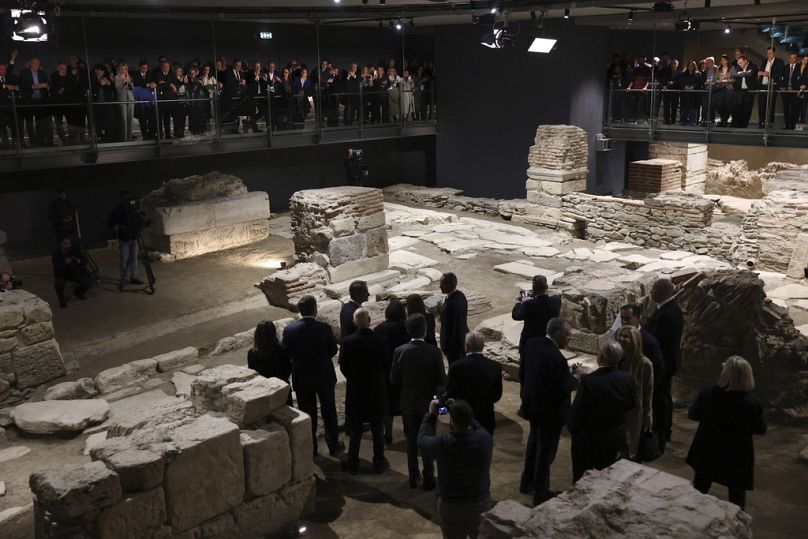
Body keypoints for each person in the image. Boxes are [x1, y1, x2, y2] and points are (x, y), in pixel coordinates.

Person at [686, 356, 767, 510]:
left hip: (707, 449)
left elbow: (693, 415)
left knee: (699, 491)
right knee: (736, 498)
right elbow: (760, 429)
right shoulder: (752, 403)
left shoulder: (707, 394)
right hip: (736, 455)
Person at [519, 318, 581, 505]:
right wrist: (575, 377)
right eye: (568, 335)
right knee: (546, 453)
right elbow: (562, 387)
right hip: (550, 413)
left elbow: (525, 373)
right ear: (558, 334)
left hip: (532, 406)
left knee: (533, 445)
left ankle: (526, 482)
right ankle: (541, 491)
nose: (570, 339)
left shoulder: (532, 344)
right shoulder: (556, 358)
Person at [418, 399, 493, 539]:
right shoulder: (485, 439)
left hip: (451, 506)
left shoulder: (443, 444)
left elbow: (422, 439)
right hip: (480, 504)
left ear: (452, 421)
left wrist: (431, 415)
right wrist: (465, 414)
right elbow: (478, 428)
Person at [390, 313, 446, 490]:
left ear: (408, 330)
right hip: (428, 405)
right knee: (428, 441)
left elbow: (393, 379)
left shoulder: (399, 352)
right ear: (425, 330)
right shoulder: (434, 352)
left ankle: (413, 476)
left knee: (412, 441)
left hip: (408, 403)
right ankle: (429, 477)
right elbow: (442, 382)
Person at [282, 295, 343, 457]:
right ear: (315, 309)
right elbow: (333, 350)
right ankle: (334, 445)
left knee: (308, 413)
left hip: (302, 377)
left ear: (300, 311)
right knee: (329, 411)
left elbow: (286, 352)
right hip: (324, 375)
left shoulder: (289, 330)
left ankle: (312, 448)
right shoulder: (324, 328)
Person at [568, 341, 635, 482]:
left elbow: (577, 411)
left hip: (588, 438)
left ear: (600, 358)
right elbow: (630, 405)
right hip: (613, 436)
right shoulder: (627, 379)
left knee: (582, 477)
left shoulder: (589, 382)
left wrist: (572, 429)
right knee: (606, 476)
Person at [339, 308, 391, 474]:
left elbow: (343, 366)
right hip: (376, 390)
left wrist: (354, 379)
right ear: (369, 320)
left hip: (356, 392)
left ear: (354, 323)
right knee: (377, 430)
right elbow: (386, 363)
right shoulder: (381, 339)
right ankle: (379, 462)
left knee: (355, 432)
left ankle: (352, 463)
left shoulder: (348, 342)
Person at [644, 278, 683, 454]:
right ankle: (664, 432)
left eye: (653, 290)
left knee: (660, 400)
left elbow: (655, 340)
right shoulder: (669, 308)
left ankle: (660, 437)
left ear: (661, 292)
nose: (651, 293)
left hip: (663, 364)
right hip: (669, 360)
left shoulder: (667, 315)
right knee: (663, 398)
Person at [445, 331, 502, 435]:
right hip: (486, 418)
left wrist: (442, 409)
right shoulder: (495, 367)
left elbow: (449, 393)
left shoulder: (456, 367)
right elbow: (496, 396)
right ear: (483, 346)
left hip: (461, 419)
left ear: (466, 346)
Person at [374, 301, 410, 445]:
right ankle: (408, 430)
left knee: (387, 406)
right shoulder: (406, 329)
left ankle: (388, 434)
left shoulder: (378, 330)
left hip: (385, 372)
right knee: (405, 403)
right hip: (403, 372)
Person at [614, 326, 653, 459]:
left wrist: (648, 417)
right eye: (620, 335)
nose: (622, 339)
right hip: (615, 410)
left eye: (626, 336)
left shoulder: (644, 364)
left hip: (632, 413)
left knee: (629, 448)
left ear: (635, 340)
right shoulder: (614, 359)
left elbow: (648, 393)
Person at [511, 275, 561, 356]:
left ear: (533, 288)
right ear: (547, 287)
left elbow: (516, 316)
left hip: (529, 343)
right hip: (547, 342)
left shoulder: (528, 304)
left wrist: (518, 303)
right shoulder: (556, 302)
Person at [247, 320, 292, 406]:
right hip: (282, 389)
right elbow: (288, 369)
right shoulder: (282, 350)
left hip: (263, 393)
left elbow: (253, 374)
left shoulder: (252, 353)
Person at [107, 191, 145, 291]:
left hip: (134, 237)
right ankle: (123, 279)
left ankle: (134, 277)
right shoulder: (117, 210)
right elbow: (111, 223)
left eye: (128, 198)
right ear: (121, 199)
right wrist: (118, 227)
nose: (127, 200)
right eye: (125, 198)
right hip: (124, 239)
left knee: (134, 258)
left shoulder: (134, 209)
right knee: (124, 260)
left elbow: (139, 220)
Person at [619, 304, 664, 384]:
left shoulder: (649, 341)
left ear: (638, 318)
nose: (623, 322)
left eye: (628, 318)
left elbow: (658, 369)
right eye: (622, 318)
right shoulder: (618, 335)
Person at [18, 57, 52, 146]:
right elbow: (22, 85)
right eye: (35, 64)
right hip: (29, 101)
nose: (37, 66)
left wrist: (46, 86)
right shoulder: (23, 73)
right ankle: (33, 142)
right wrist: (34, 87)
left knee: (40, 122)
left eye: (38, 64)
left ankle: (39, 141)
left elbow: (48, 84)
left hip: (40, 100)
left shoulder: (43, 73)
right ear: (31, 64)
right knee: (29, 122)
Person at [52, 236, 93, 308]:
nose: (68, 245)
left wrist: (79, 261)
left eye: (69, 243)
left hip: (74, 271)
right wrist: (65, 263)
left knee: (88, 281)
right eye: (66, 244)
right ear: (61, 244)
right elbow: (57, 269)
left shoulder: (75, 249)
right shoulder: (56, 253)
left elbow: (85, 260)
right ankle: (62, 301)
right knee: (58, 285)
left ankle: (78, 293)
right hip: (62, 273)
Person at [439, 272, 469, 365]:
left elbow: (449, 330)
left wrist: (446, 348)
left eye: (442, 284)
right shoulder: (461, 295)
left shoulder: (450, 306)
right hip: (462, 339)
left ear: (449, 285)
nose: (440, 286)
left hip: (453, 347)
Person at [758, 47, 785, 128]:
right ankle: (761, 122)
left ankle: (770, 123)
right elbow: (762, 72)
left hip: (772, 86)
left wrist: (768, 74)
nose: (768, 55)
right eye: (767, 53)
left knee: (770, 105)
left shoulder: (779, 62)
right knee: (761, 105)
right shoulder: (764, 62)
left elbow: (779, 74)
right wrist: (761, 73)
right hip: (763, 86)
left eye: (770, 53)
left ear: (774, 53)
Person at [733, 55, 758, 129]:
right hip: (740, 91)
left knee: (747, 109)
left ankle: (745, 124)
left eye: (741, 63)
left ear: (746, 61)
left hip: (749, 91)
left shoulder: (753, 66)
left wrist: (741, 73)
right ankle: (739, 124)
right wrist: (745, 73)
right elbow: (735, 74)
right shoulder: (739, 66)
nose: (739, 64)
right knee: (739, 108)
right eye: (738, 63)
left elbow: (750, 73)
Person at [0, 61, 19, 149]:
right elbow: (3, 87)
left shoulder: (8, 78)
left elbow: (17, 86)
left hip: (10, 107)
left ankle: (15, 143)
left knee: (14, 126)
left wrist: (15, 87)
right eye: (1, 69)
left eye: (4, 70)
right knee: (2, 127)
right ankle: (6, 144)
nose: (3, 71)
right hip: (1, 108)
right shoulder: (3, 81)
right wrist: (7, 87)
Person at [113, 63, 135, 142]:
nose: (124, 70)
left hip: (130, 99)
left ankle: (129, 139)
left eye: (125, 69)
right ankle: (123, 139)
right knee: (124, 119)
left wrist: (129, 82)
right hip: (122, 99)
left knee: (130, 119)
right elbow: (117, 89)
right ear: (119, 70)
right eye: (122, 69)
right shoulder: (116, 77)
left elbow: (132, 88)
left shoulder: (129, 76)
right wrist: (123, 82)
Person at [782, 51, 802, 130]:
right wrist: (783, 87)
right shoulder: (786, 67)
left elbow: (801, 79)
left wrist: (798, 89)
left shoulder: (799, 67)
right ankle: (787, 125)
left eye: (794, 58)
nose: (792, 59)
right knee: (786, 108)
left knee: (794, 108)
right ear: (789, 58)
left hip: (795, 90)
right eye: (791, 58)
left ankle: (793, 126)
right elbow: (782, 78)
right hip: (786, 90)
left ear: (796, 59)